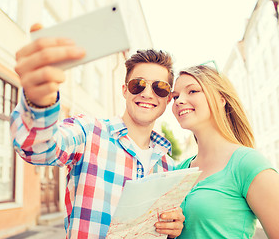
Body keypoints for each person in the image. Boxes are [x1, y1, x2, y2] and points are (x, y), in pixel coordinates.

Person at [10, 25, 185, 238]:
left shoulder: (169, 167)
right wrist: (38, 104)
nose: (148, 94)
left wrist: (173, 228)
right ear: (124, 90)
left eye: (160, 87)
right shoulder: (89, 132)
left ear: (168, 99)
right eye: (138, 85)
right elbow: (37, 148)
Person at [171, 64, 279, 238]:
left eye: (192, 91)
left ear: (221, 99)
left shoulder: (248, 164)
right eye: (175, 96)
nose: (179, 101)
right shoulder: (177, 172)